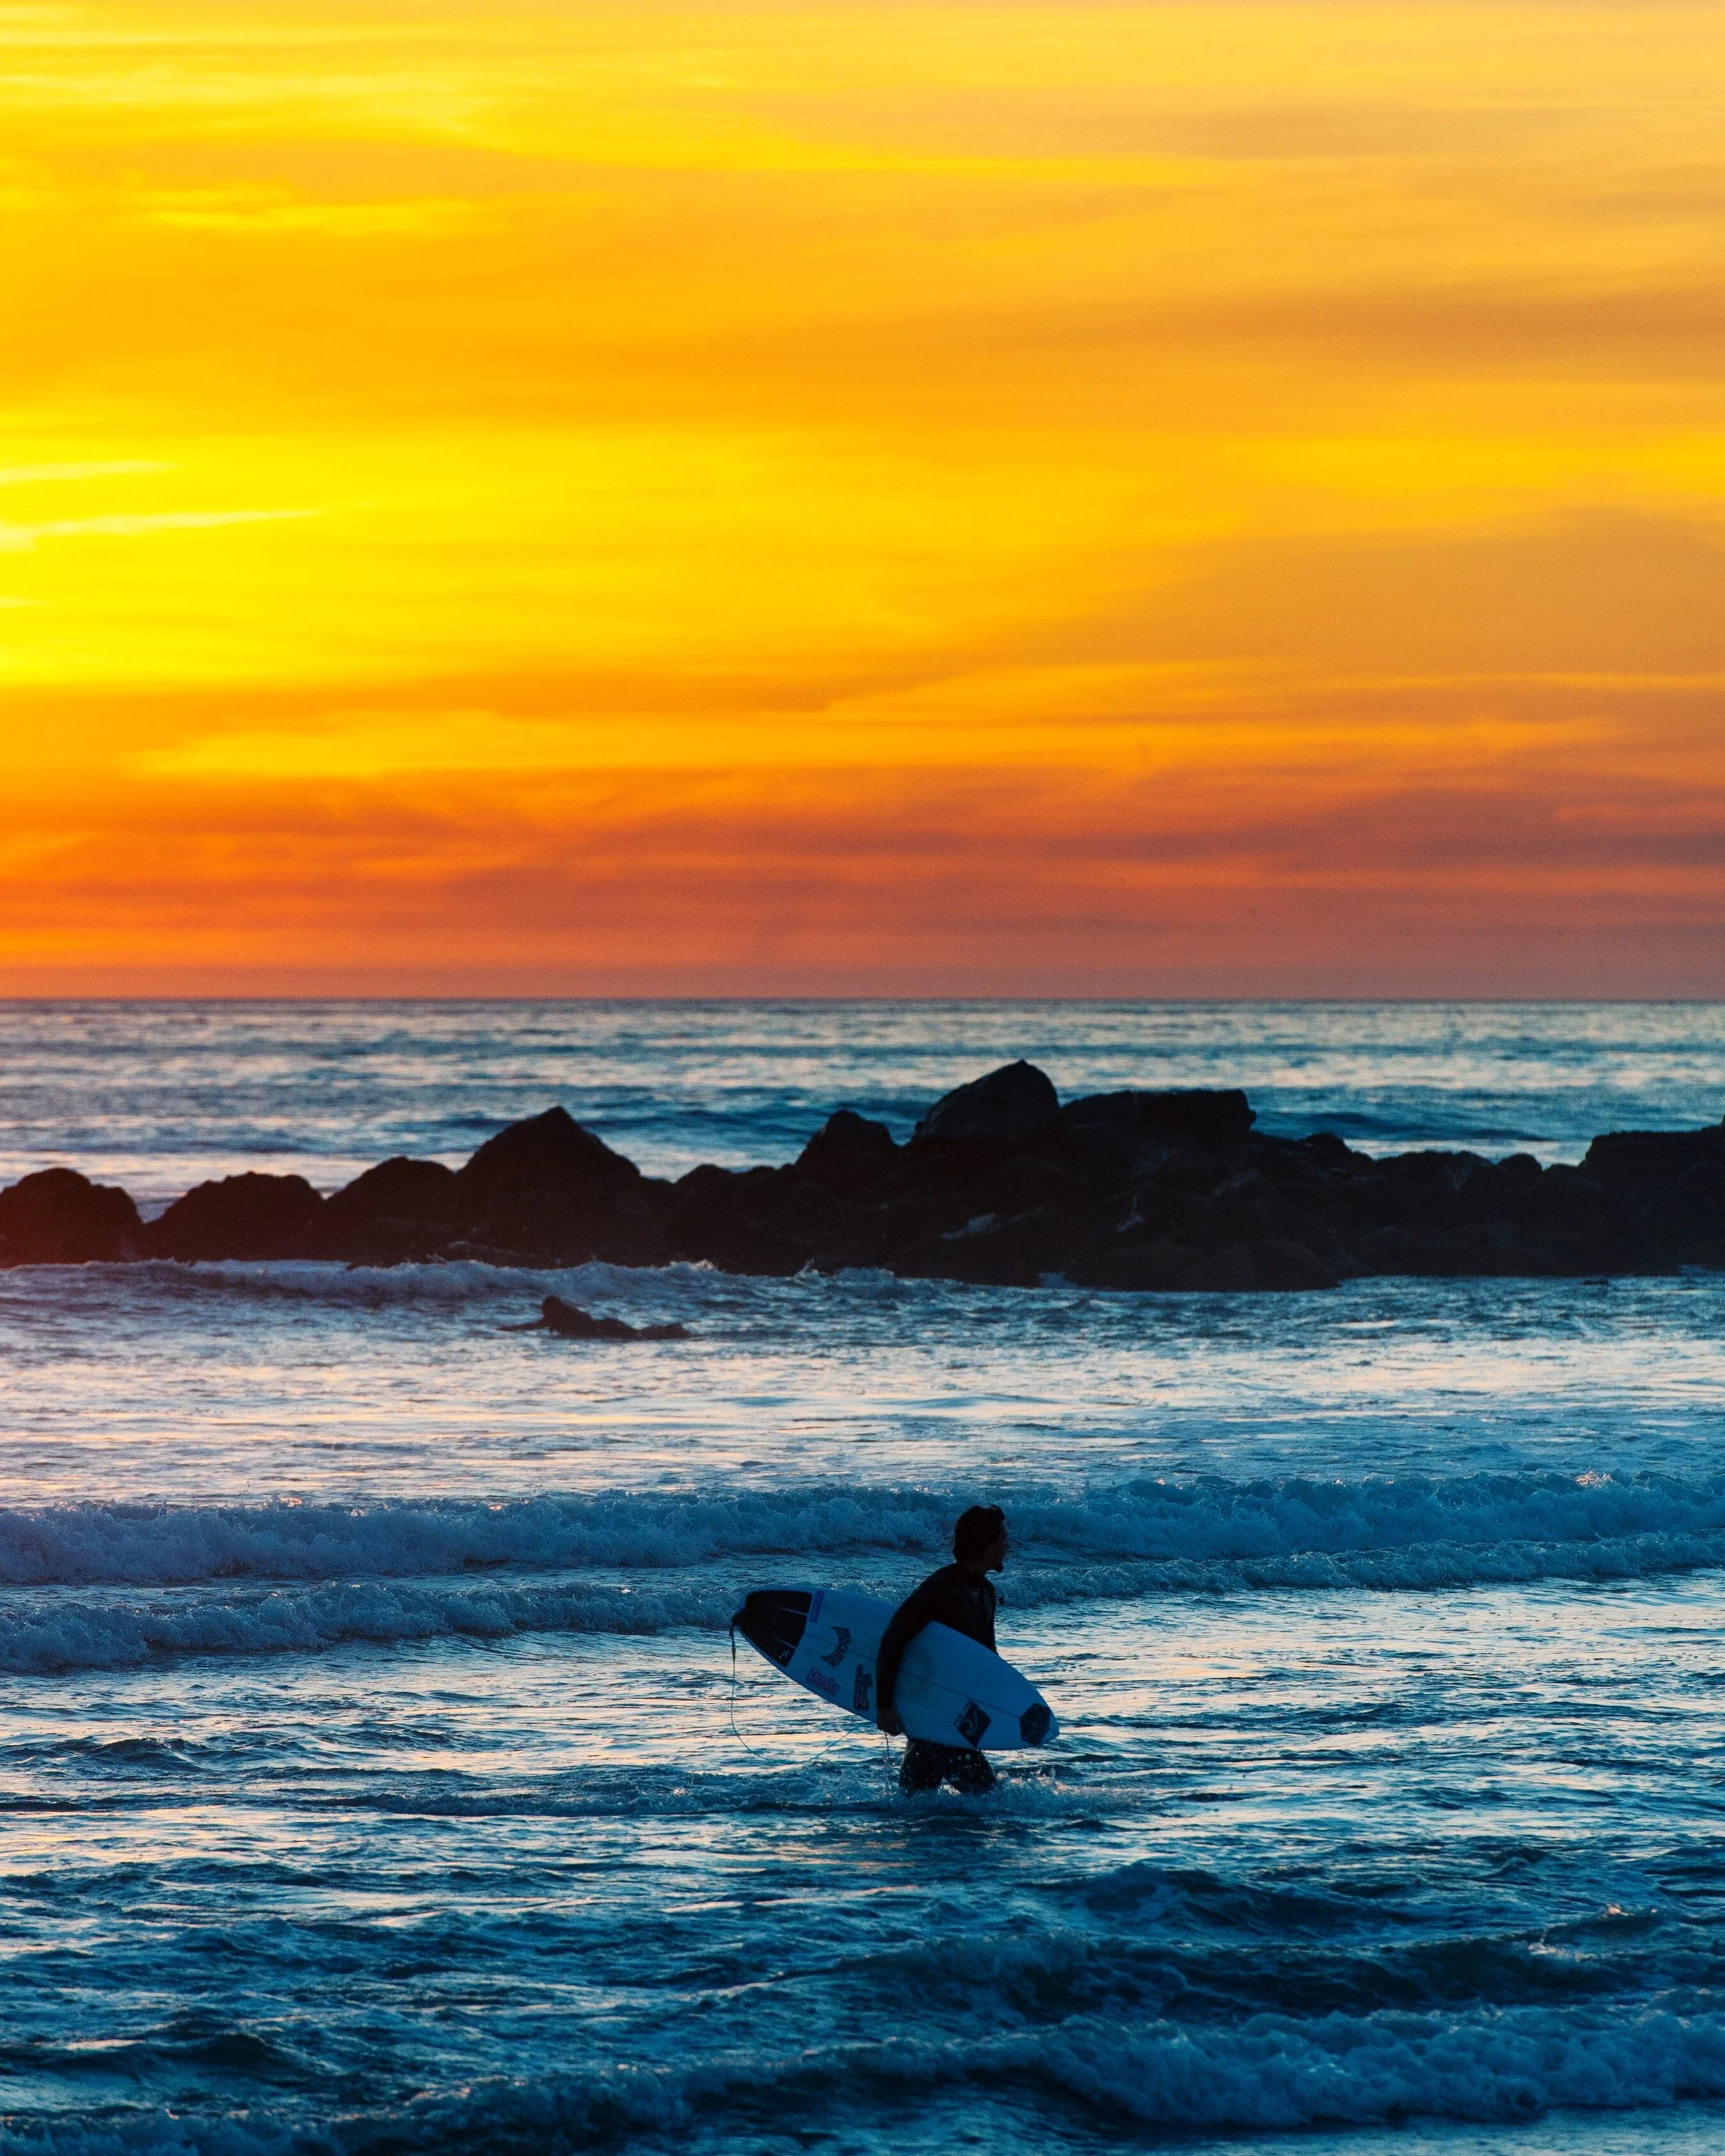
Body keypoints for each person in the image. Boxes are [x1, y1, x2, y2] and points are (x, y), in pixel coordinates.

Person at [875, 1505, 1009, 1794]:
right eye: (1003, 1538)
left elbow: (988, 1660)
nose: (1007, 1546)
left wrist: (1006, 1706)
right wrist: (885, 1706)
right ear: (987, 1544)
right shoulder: (942, 1587)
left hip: (954, 1712)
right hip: (931, 1710)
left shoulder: (985, 1593)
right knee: (988, 1796)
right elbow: (893, 1638)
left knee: (916, 1798)